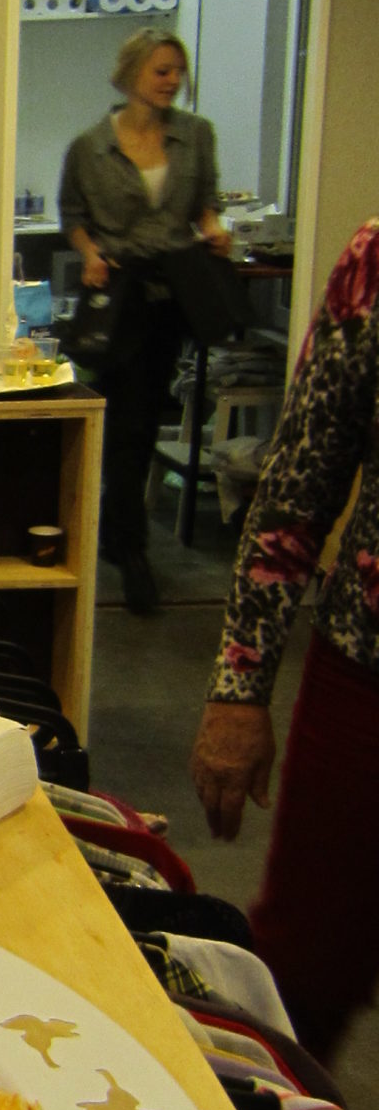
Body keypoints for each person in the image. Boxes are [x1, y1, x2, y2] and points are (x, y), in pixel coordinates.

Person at [190, 221, 379, 1063]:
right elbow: (298, 487)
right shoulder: (375, 262)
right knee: (307, 963)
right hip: (367, 670)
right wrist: (239, 688)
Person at [59, 29, 231, 614]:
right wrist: (89, 253)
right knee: (126, 420)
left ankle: (120, 533)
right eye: (162, 70)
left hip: (175, 292)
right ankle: (129, 546)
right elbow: (73, 215)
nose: (172, 81)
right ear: (132, 72)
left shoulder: (196, 135)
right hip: (119, 295)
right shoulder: (90, 148)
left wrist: (212, 228)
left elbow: (206, 202)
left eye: (178, 71)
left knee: (146, 415)